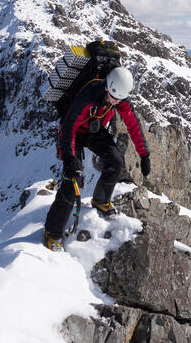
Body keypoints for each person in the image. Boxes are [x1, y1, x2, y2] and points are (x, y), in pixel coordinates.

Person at [43, 67, 150, 251]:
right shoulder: (89, 95)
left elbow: (133, 124)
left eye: (120, 100)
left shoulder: (120, 97)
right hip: (75, 132)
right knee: (72, 179)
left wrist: (144, 154)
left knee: (116, 162)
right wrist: (69, 157)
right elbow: (68, 128)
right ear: (107, 88)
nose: (116, 103)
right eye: (114, 98)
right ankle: (52, 232)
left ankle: (101, 200)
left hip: (95, 129)